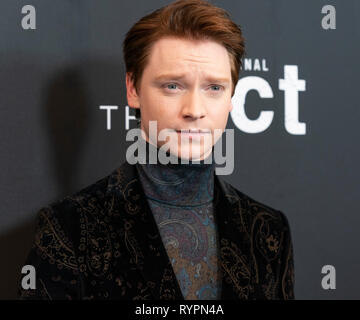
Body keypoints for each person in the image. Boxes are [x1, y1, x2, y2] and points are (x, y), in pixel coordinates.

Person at [18, 0, 295, 300]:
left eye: (214, 87)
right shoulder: (69, 227)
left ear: (231, 98)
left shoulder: (268, 230)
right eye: (173, 86)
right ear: (133, 89)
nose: (194, 110)